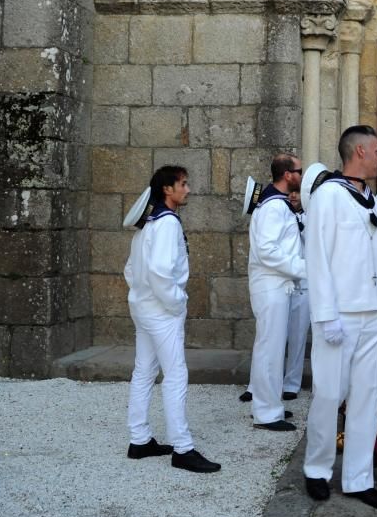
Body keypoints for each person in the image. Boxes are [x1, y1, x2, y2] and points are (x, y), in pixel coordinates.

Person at [302, 126, 377, 509]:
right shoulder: (328, 196)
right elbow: (317, 258)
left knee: (368, 396)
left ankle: (359, 477)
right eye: (376, 151)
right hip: (339, 314)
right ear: (359, 151)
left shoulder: (370, 198)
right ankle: (317, 469)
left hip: (373, 312)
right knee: (329, 394)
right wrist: (325, 314)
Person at [123, 165, 220, 473]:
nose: (187, 189)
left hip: (143, 307)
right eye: (183, 184)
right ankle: (183, 448)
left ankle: (139, 440)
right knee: (176, 374)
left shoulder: (148, 225)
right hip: (161, 311)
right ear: (168, 189)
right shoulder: (167, 224)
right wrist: (176, 303)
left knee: (144, 371)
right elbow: (160, 272)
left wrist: (144, 296)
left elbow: (130, 270)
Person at [244, 155, 305, 431]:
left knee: (269, 346)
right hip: (272, 285)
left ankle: (267, 403)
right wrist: (302, 268)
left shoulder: (277, 204)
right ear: (287, 175)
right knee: (270, 348)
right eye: (299, 171)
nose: (302, 175)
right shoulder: (272, 207)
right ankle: (266, 414)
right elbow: (267, 249)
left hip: (276, 284)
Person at [284, 189, 310, 400]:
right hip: (284, 282)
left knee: (298, 336)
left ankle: (292, 383)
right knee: (274, 335)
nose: (293, 197)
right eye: (290, 193)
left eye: (297, 193)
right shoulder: (281, 214)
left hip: (305, 283)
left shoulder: (312, 216)